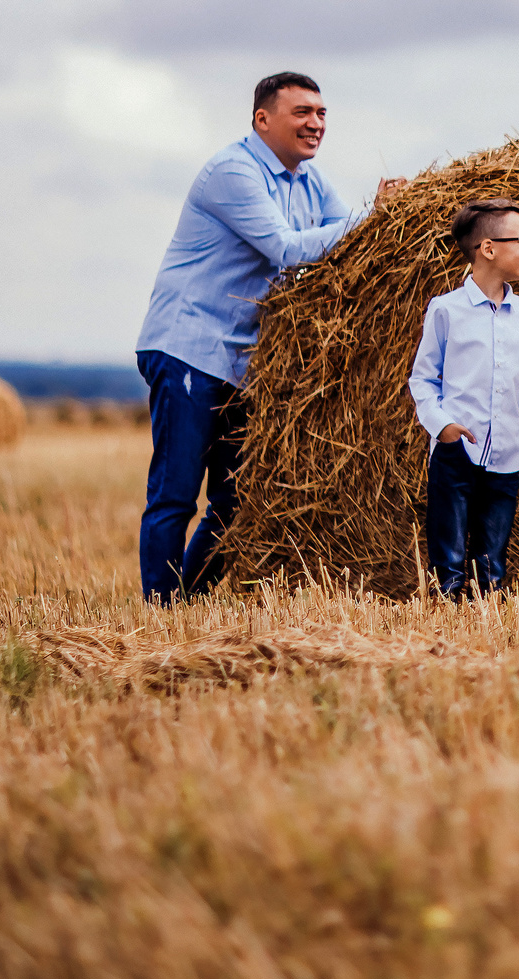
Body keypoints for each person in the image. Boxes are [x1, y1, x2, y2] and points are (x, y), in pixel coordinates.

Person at [134, 71, 403, 602]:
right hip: (190, 346)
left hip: (245, 362)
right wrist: (372, 215)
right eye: (302, 112)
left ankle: (188, 600)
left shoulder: (308, 181)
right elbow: (286, 248)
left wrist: (390, 221)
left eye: (322, 113)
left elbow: (347, 241)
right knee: (176, 494)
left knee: (239, 502)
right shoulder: (233, 171)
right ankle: (161, 612)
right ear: (263, 119)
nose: (315, 123)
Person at [408, 198, 519, 597]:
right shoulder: (445, 310)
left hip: (506, 457)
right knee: (450, 563)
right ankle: (444, 635)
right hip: (456, 453)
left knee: (491, 565)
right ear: (488, 249)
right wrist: (442, 427)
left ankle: (486, 641)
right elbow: (422, 379)